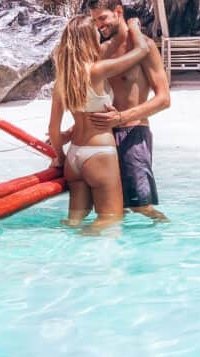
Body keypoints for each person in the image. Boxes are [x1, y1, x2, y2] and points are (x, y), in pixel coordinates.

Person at [48, 14, 149, 229]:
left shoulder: (62, 79)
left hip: (74, 157)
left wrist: (60, 157)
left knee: (74, 222)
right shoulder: (97, 70)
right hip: (99, 154)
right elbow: (141, 51)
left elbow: (53, 129)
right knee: (110, 220)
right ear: (88, 40)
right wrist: (134, 27)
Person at [85, 0, 170, 221]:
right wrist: (72, 131)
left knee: (142, 207)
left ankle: (168, 238)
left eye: (102, 18)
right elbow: (96, 99)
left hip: (134, 134)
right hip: (105, 136)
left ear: (118, 11)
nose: (99, 25)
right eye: (95, 21)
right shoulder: (101, 51)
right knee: (111, 209)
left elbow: (164, 99)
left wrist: (121, 118)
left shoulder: (144, 46)